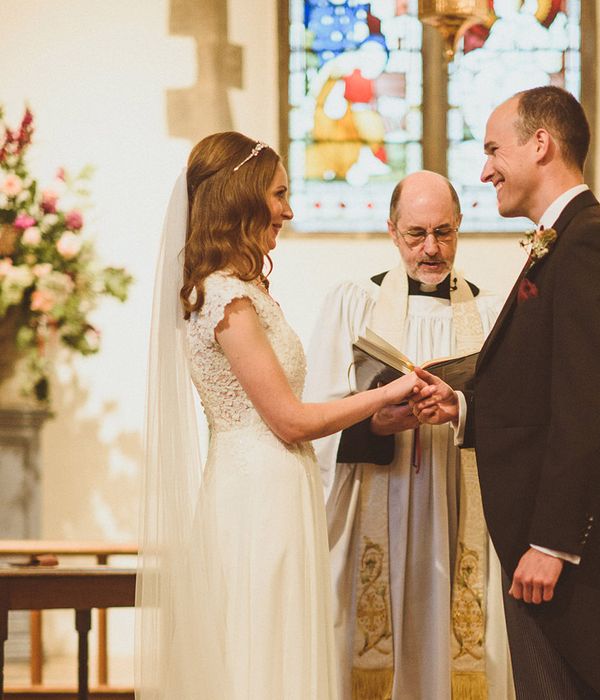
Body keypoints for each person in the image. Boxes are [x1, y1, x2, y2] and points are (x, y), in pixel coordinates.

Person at [135, 132, 422, 700]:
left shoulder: (240, 290)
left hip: (271, 485)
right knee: (260, 648)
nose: (289, 210)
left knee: (277, 639)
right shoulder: (225, 298)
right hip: (256, 496)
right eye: (279, 194)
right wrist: (388, 393)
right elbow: (288, 421)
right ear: (242, 196)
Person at [412, 87, 600, 699]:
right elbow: (543, 388)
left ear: (541, 144)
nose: (485, 169)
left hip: (562, 558)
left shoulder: (588, 242)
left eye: (495, 149)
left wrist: (551, 543)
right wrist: (464, 404)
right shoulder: (563, 241)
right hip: (541, 545)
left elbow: (590, 406)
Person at [304, 170, 515, 699]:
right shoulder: (353, 305)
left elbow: (515, 418)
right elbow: (316, 417)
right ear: (391, 230)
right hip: (378, 496)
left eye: (443, 233)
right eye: (415, 234)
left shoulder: (490, 314)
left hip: (460, 500)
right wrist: (373, 423)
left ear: (461, 226)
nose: (430, 249)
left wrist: (460, 407)